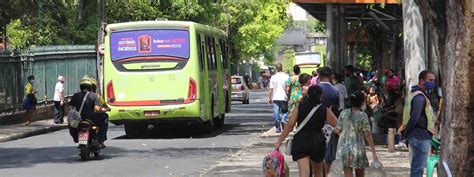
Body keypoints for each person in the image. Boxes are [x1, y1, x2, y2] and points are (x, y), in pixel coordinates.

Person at [275, 85, 338, 177]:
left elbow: (289, 125)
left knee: (304, 173)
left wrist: (279, 142)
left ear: (308, 95)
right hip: (317, 141)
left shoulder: (299, 107)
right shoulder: (324, 110)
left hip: (301, 140)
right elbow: (338, 125)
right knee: (318, 172)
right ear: (321, 96)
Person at [399, 70, 436, 177]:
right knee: (418, 168)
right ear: (421, 81)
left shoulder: (416, 94)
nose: (432, 83)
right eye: (430, 80)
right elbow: (414, 118)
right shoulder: (419, 97)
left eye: (433, 80)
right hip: (420, 136)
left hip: (418, 135)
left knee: (417, 166)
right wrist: (405, 134)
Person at [334, 91, 378, 177]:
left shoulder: (343, 113)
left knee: (347, 173)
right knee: (360, 174)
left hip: (344, 146)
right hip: (358, 147)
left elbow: (337, 130)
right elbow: (367, 134)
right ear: (362, 102)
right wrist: (373, 152)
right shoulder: (363, 115)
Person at [316, 67, 340, 173]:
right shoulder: (335, 90)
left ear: (319, 76)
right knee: (328, 151)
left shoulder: (315, 88)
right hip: (330, 125)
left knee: (317, 152)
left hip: (316, 125)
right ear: (330, 76)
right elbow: (337, 108)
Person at [68, 76, 103, 146]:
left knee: (71, 125)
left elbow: (71, 108)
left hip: (78, 121)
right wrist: (101, 110)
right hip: (90, 119)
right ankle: (99, 139)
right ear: (90, 86)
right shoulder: (94, 95)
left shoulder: (75, 95)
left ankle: (75, 137)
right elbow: (96, 108)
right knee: (101, 122)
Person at [269, 63, 290, 133]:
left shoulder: (273, 77)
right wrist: (289, 96)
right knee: (285, 111)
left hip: (275, 97)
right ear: (282, 68)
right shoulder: (286, 77)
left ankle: (278, 128)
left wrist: (270, 98)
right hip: (284, 97)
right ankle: (284, 120)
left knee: (276, 113)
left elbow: (271, 89)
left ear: (276, 68)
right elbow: (288, 88)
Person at [89, 78, 109, 148]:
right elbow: (103, 107)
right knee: (105, 117)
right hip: (94, 118)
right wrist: (104, 109)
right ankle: (101, 140)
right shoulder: (96, 96)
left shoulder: (79, 95)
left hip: (82, 118)